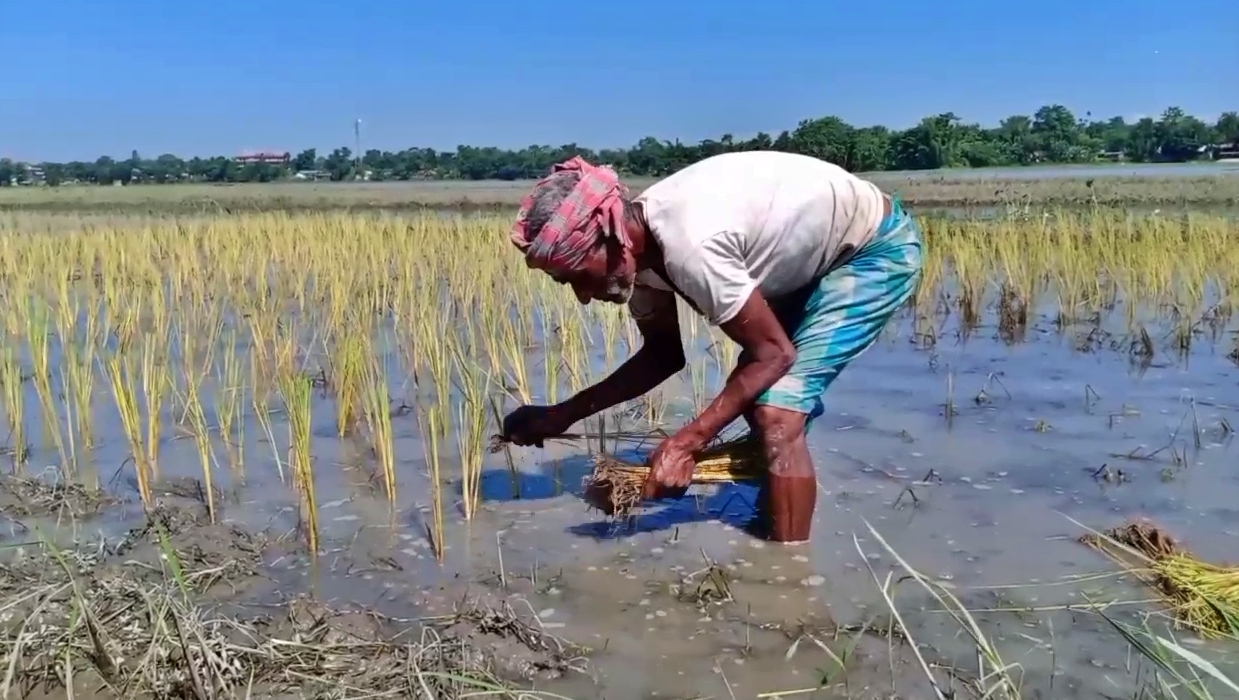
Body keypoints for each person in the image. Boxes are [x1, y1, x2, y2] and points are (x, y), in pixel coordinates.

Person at [499, 151, 923, 544]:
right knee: (761, 403)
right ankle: (772, 524)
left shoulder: (691, 245)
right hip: (806, 262)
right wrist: (560, 415)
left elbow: (775, 355)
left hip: (871, 249)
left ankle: (790, 580)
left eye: (576, 275)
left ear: (609, 238)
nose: (583, 296)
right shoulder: (639, 255)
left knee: (776, 414)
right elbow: (661, 357)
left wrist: (687, 443)